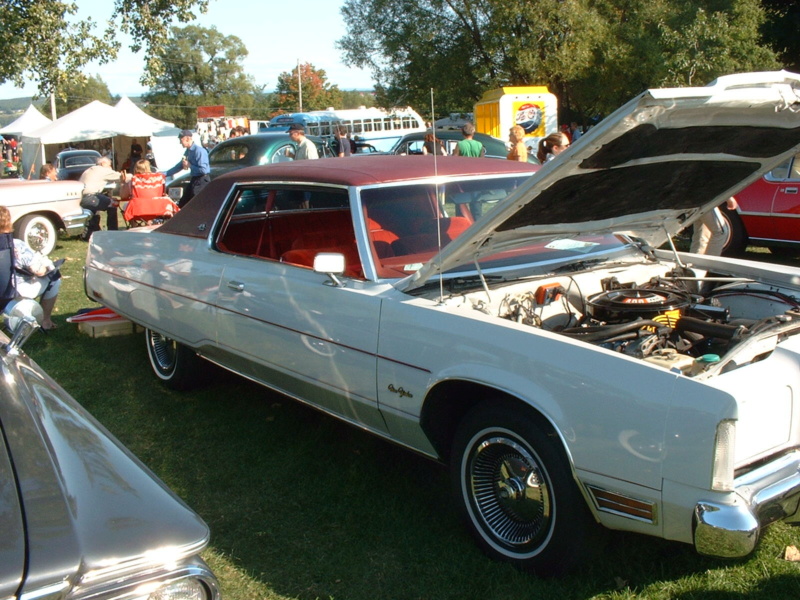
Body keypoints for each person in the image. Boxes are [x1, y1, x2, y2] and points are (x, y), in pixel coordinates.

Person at [0, 206, 61, 330]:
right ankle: (45, 321)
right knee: (54, 277)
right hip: (9, 291)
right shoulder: (15, 246)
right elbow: (38, 271)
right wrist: (46, 266)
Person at [78, 156, 126, 240]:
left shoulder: (90, 170)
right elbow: (121, 176)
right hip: (90, 197)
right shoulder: (102, 170)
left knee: (98, 206)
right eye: (109, 165)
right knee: (113, 203)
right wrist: (134, 175)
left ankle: (91, 232)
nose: (110, 167)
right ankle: (113, 231)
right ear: (103, 163)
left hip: (81, 199)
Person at [164, 130, 210, 207]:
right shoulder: (188, 151)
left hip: (202, 181)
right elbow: (179, 166)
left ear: (187, 139)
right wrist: (164, 174)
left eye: (181, 140)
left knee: (197, 205)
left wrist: (190, 165)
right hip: (195, 180)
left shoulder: (199, 151)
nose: (180, 143)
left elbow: (203, 170)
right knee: (183, 203)